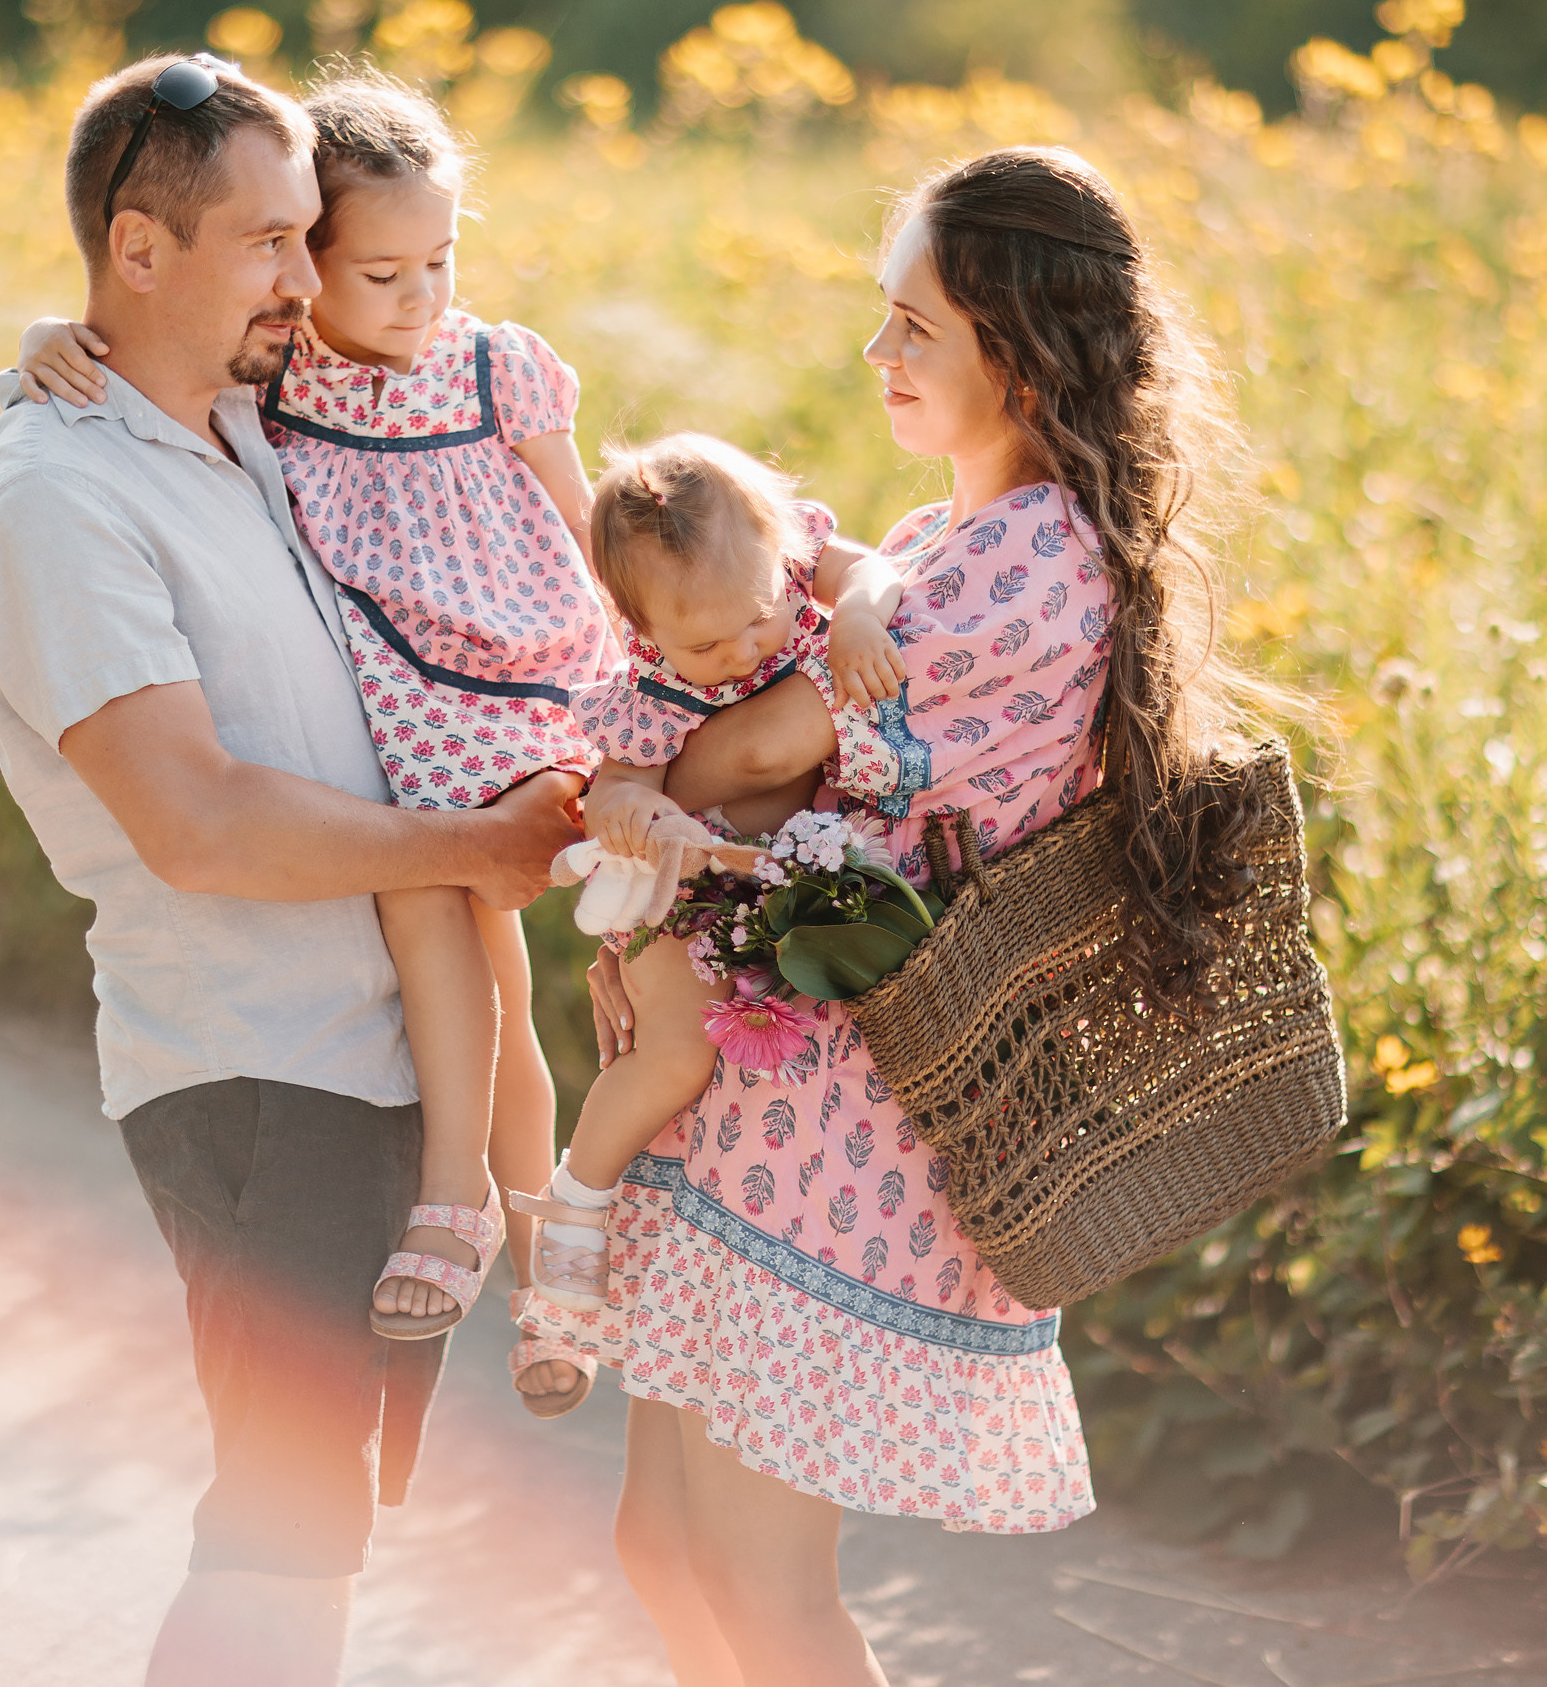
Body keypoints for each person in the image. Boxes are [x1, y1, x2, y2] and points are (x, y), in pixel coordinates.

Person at [524, 146, 1274, 1687]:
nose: (880, 356)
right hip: (751, 1092)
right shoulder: (936, 541)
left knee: (758, 1585)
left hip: (836, 1136)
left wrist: (655, 779)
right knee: (663, 1553)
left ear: (1019, 344)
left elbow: (744, 748)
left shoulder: (1032, 560)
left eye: (915, 325)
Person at [0, 55, 577, 1687]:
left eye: (313, 239)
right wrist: (479, 845)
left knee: (317, 1531)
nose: (305, 281)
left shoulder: (246, 423)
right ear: (136, 252)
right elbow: (198, 821)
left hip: (378, 1065)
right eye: (263, 243)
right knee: (282, 1530)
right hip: (257, 1072)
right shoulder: (56, 490)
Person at [512, 432, 912, 1312]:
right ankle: (578, 1197)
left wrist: (855, 616)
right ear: (643, 633)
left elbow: (874, 570)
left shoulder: (801, 568)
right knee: (675, 1057)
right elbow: (615, 786)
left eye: (758, 619)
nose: (739, 653)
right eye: (702, 645)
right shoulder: (655, 691)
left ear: (783, 554)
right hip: (683, 897)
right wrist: (633, 810)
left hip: (776, 889)